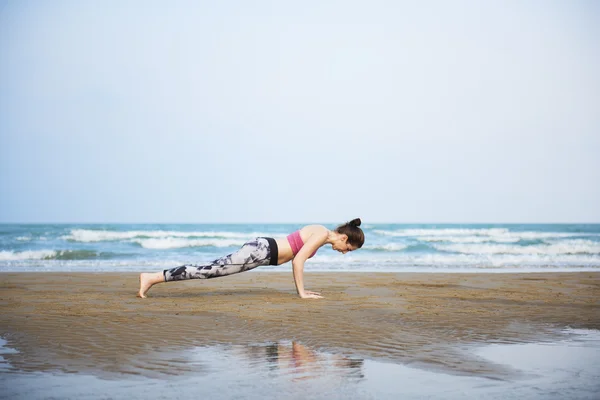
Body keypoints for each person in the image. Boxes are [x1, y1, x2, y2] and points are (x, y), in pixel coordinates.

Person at [137, 218, 364, 299]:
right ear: (344, 238)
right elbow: (297, 261)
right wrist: (302, 293)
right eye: (348, 249)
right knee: (208, 270)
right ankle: (153, 278)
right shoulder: (322, 233)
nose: (344, 252)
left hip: (261, 251)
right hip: (260, 251)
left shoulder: (321, 232)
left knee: (209, 270)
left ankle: (154, 278)